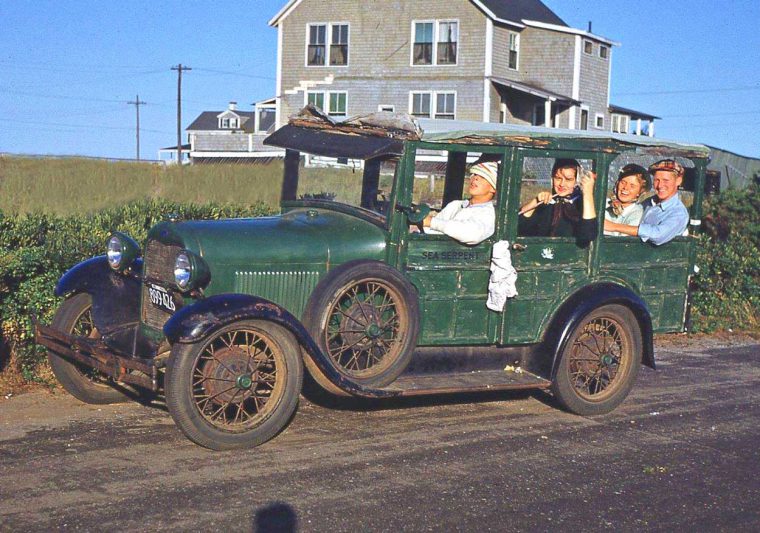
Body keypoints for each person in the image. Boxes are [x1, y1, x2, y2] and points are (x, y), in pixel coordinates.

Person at [603, 159, 688, 245]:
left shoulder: (679, 213)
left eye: (666, 180)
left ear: (678, 181)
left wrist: (614, 227)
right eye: (657, 180)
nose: (660, 185)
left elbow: (657, 235)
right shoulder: (649, 202)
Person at [517, 158, 597, 242]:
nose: (562, 184)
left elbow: (589, 235)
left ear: (577, 181)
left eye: (568, 179)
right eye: (558, 178)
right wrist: (535, 202)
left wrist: (587, 193)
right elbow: (516, 228)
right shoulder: (546, 205)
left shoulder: (582, 206)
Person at [421, 161, 497, 245]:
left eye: (483, 177)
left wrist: (432, 222)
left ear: (493, 188)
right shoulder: (455, 205)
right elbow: (430, 231)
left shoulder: (488, 214)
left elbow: (472, 234)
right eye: (475, 174)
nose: (475, 178)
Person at [604, 164, 650, 236]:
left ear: (639, 192)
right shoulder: (605, 204)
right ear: (617, 184)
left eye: (632, 186)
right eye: (623, 182)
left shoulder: (637, 214)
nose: (625, 188)